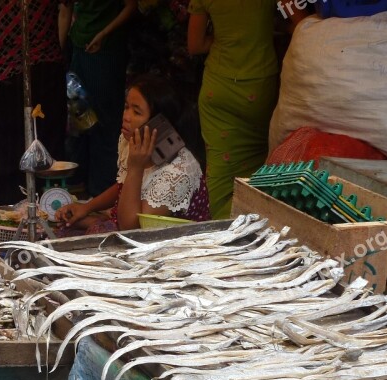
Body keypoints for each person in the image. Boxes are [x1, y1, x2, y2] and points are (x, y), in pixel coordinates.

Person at [187, 0, 309, 219]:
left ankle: (219, 232)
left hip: (218, 88)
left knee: (219, 171)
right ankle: (252, 228)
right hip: (257, 88)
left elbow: (195, 45)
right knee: (257, 169)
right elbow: (302, 24)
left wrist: (224, 39)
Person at [55, 74, 209, 234]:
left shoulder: (177, 172)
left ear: (160, 123)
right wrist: (86, 208)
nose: (126, 117)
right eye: (126, 107)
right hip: (127, 224)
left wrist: (136, 167)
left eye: (136, 112)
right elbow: (123, 186)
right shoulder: (132, 141)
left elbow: (132, 230)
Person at [0, 0, 68, 206]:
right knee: (48, 145)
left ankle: (4, 215)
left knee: (5, 150)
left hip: (7, 73)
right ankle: (51, 210)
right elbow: (67, 10)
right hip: (46, 71)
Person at [60, 0, 137, 198]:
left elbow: (130, 6)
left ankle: (102, 189)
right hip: (79, 49)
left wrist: (104, 33)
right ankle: (77, 180)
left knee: (105, 122)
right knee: (79, 116)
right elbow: (65, 12)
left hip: (106, 53)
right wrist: (59, 53)